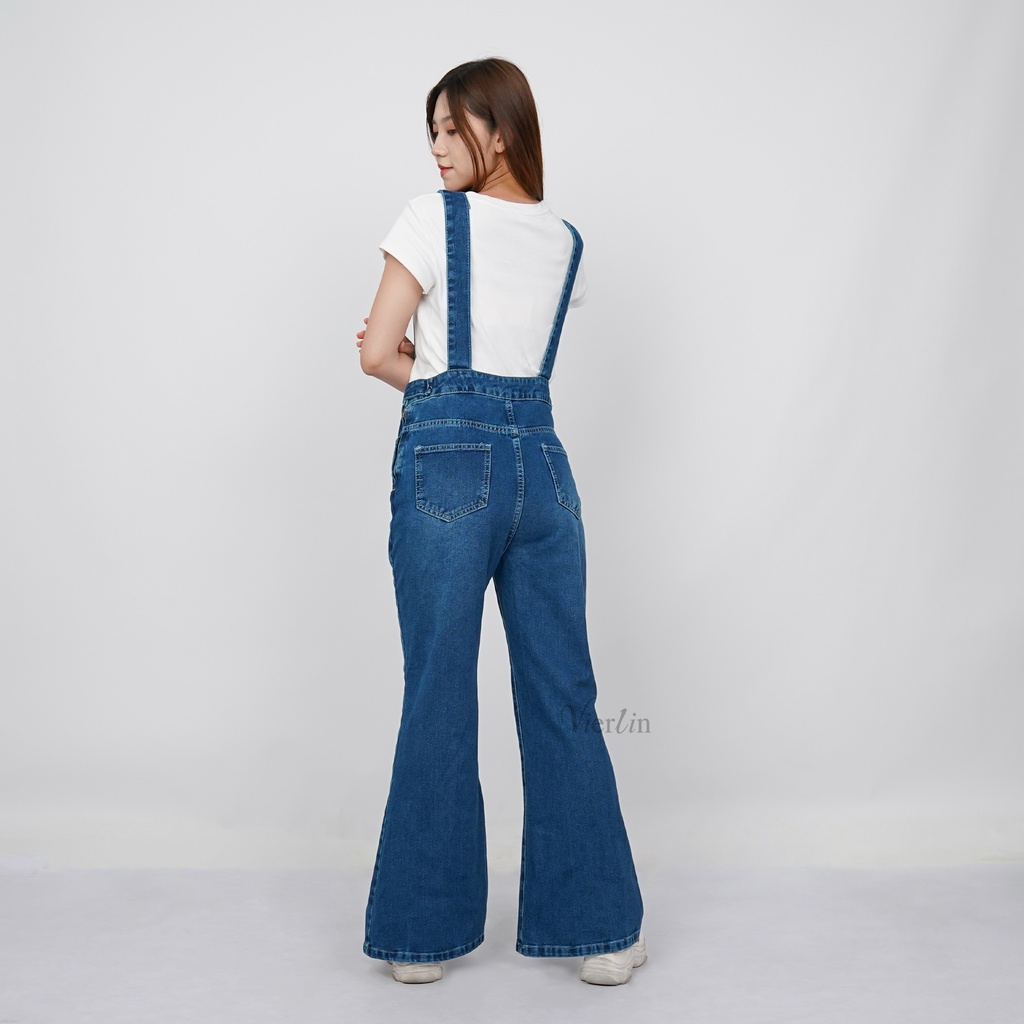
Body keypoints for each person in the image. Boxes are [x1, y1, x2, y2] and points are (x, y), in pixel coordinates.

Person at [356, 57, 645, 986]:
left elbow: (376, 352)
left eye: (453, 129)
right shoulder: (566, 243)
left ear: (503, 130)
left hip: (450, 468)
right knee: (562, 691)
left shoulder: (428, 220)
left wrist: (428, 371)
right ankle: (603, 929)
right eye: (432, 133)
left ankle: (423, 936)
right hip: (546, 471)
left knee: (440, 687)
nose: (438, 149)